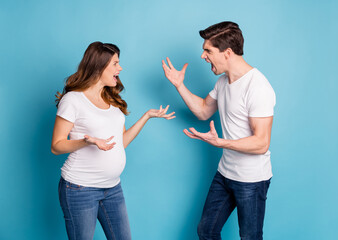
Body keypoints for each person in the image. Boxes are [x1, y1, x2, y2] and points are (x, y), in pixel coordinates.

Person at [162, 21, 276, 240]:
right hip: (225, 173)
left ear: (228, 53)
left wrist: (221, 142)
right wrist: (179, 85)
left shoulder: (258, 87)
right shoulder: (223, 83)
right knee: (206, 230)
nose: (203, 56)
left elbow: (261, 143)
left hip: (251, 180)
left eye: (208, 51)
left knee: (250, 237)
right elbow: (204, 111)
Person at [51, 41, 175, 240]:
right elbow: (56, 146)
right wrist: (88, 142)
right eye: (115, 63)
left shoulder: (111, 99)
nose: (120, 68)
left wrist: (146, 116)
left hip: (112, 188)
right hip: (80, 188)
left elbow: (121, 143)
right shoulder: (73, 100)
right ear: (99, 66)